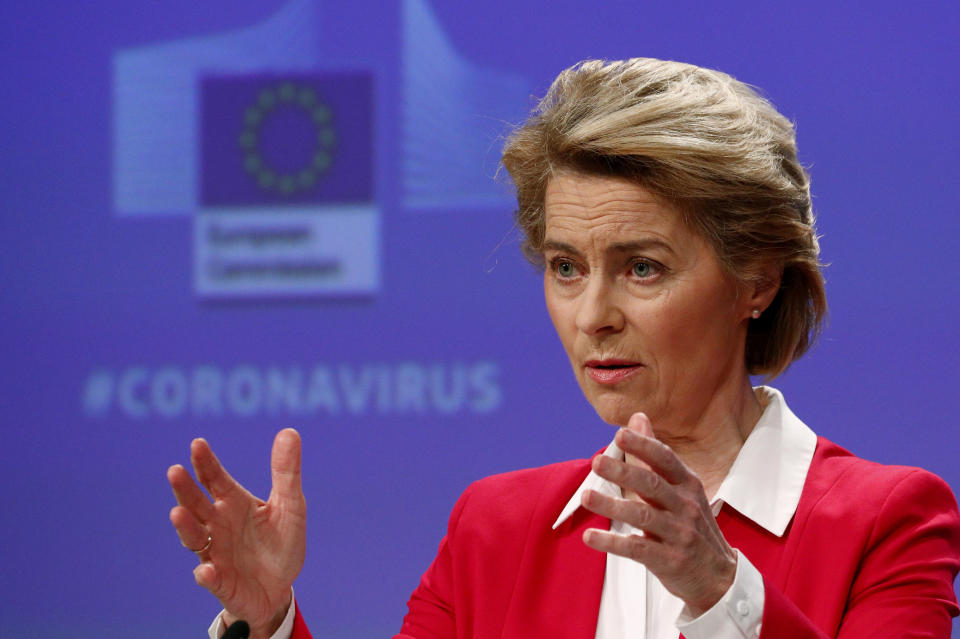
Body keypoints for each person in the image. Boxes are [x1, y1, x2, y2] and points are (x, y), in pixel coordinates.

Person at [167, 58, 960, 639]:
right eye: (566, 267)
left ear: (758, 280)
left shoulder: (887, 521)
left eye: (642, 267)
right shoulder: (495, 528)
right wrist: (268, 616)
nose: (593, 315)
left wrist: (720, 590)